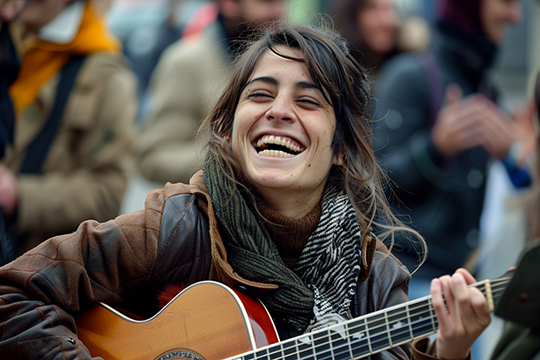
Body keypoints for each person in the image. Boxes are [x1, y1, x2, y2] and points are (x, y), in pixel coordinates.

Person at [0, 21, 490, 360]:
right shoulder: (172, 228)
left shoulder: (374, 280)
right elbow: (13, 292)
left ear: (341, 148)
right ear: (230, 127)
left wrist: (451, 350)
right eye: (259, 94)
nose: (278, 110)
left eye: (308, 100)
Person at [372, 0, 529, 298]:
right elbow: (374, 181)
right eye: (507, 2)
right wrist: (435, 147)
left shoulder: (485, 90)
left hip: (467, 285)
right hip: (410, 285)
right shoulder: (408, 76)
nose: (516, 16)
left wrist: (515, 159)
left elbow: (516, 188)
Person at [0, 0, 137, 254]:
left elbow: (107, 193)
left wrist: (19, 195)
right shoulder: (9, 42)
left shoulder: (108, 78)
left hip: (29, 266)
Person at [135, 0, 287, 184]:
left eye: (283, 2)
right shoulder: (185, 61)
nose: (279, 11)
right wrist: (227, 155)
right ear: (229, 4)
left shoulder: (290, 63)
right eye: (267, 2)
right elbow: (153, 159)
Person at [329, 0, 428, 81]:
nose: (388, 21)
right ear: (351, 15)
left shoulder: (412, 67)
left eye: (390, 9)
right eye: (372, 8)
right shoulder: (332, 70)